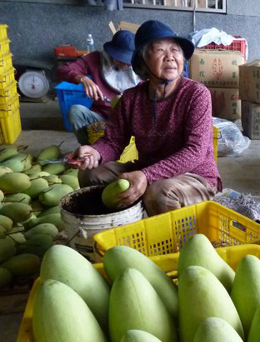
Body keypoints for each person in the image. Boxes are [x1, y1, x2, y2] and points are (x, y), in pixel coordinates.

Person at [71, 20, 221, 216]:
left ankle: (170, 242)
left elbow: (196, 151)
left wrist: (146, 175)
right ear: (142, 61)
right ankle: (118, 225)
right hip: (149, 169)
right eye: (159, 50)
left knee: (158, 193)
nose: (170, 57)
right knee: (91, 175)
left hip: (195, 176)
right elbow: (113, 142)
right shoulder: (130, 99)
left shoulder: (196, 94)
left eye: (175, 50)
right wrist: (95, 152)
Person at [56, 30, 140, 144]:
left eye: (128, 61)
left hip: (128, 121)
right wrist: (82, 78)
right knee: (75, 111)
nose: (125, 64)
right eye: (121, 60)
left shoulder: (142, 67)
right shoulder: (95, 58)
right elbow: (62, 70)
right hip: (101, 117)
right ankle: (88, 150)